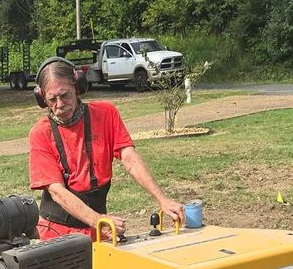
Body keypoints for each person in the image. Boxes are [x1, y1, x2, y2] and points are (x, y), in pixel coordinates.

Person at [28, 57, 184, 241]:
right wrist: (98, 220)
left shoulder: (106, 114)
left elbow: (130, 159)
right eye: (52, 99)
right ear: (42, 98)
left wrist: (162, 199)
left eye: (65, 95)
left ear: (77, 87)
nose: (59, 105)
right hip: (56, 231)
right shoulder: (40, 133)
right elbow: (57, 191)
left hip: (98, 226)